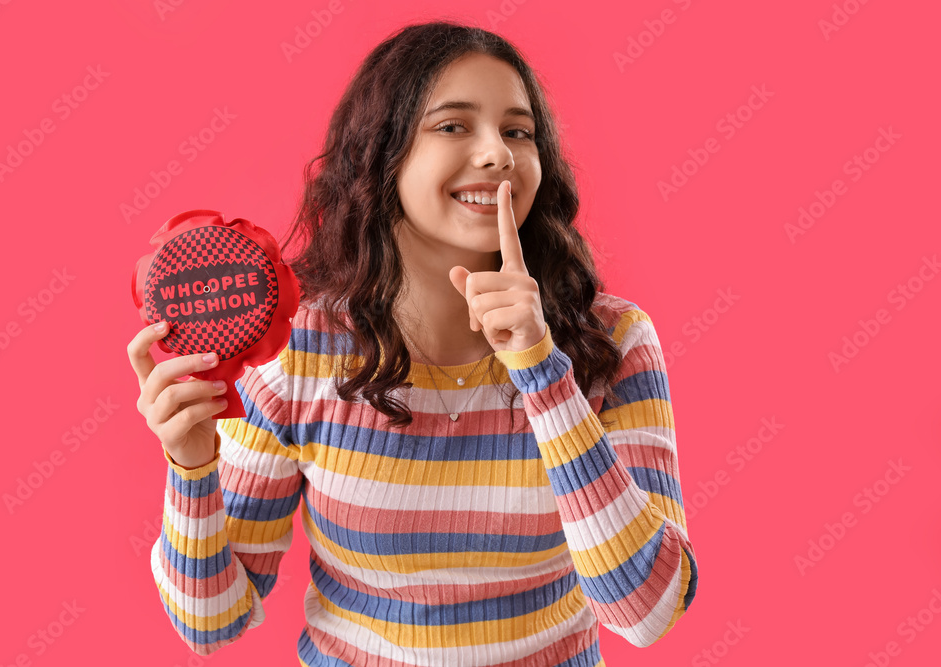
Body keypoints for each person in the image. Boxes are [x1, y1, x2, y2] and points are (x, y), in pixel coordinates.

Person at [128, 20, 698, 666]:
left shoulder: (614, 341)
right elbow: (212, 622)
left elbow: (648, 611)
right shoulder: (299, 351)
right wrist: (191, 465)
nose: (498, 153)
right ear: (382, 154)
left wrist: (544, 373)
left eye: (518, 131)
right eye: (454, 125)